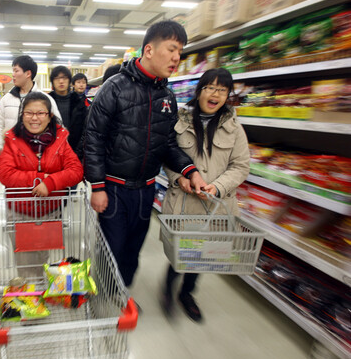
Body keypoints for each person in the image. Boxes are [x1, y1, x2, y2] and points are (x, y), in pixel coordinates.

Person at [83, 20, 207, 288]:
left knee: (132, 250)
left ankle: (121, 293)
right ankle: (104, 296)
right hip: (114, 189)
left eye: (180, 52)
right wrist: (97, 186)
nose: (176, 58)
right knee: (111, 248)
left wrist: (190, 170)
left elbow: (168, 143)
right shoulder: (113, 88)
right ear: (149, 50)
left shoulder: (167, 96)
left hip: (146, 190)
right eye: (172, 49)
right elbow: (93, 139)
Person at [161, 68, 250, 322]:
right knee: (180, 253)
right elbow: (167, 156)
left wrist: (218, 187)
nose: (215, 94)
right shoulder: (180, 121)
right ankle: (168, 288)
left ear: (228, 96)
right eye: (210, 88)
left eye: (222, 90)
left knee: (203, 256)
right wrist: (179, 178)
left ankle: (187, 294)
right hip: (184, 201)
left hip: (216, 207)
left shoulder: (234, 128)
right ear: (199, 91)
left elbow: (241, 166)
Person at [0, 91, 83, 201]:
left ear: (50, 117)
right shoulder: (12, 140)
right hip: (19, 210)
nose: (34, 118)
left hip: (52, 209)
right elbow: (5, 175)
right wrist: (41, 178)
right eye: (29, 113)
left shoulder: (59, 140)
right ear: (22, 115)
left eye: (41, 113)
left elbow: (76, 171)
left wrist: (51, 182)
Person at [0, 55, 60, 151]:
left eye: (16, 71)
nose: (13, 74)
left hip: (37, 154)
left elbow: (57, 127)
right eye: (13, 71)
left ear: (28, 74)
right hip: (10, 153)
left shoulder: (46, 99)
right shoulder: (6, 99)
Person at [48, 66, 89, 159]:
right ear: (52, 82)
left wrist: (78, 152)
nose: (61, 81)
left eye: (64, 78)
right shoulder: (46, 102)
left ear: (69, 81)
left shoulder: (79, 103)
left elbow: (84, 130)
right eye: (57, 78)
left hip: (74, 151)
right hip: (51, 151)